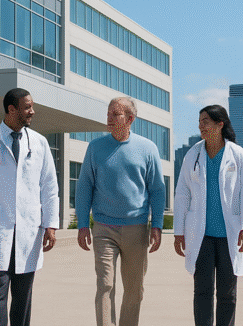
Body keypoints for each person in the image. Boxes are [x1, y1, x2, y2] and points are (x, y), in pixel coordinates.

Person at [0, 88, 60, 326]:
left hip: (28, 230)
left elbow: (50, 187)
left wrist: (51, 225)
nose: (32, 111)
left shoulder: (39, 143)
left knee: (23, 299)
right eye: (27, 107)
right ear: (12, 109)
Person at [76, 96, 166, 326]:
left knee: (134, 290)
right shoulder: (95, 148)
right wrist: (83, 224)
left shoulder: (147, 149)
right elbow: (85, 186)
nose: (109, 118)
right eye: (108, 113)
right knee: (105, 284)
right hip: (104, 228)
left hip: (136, 228)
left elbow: (157, 190)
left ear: (130, 119)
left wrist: (156, 225)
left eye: (115, 114)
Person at [173, 105, 243, 326]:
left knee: (228, 293)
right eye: (200, 121)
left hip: (230, 234)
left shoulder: (237, 155)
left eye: (206, 121)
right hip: (201, 236)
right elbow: (182, 193)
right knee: (202, 291)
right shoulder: (193, 155)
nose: (201, 126)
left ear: (220, 124)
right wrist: (179, 232)